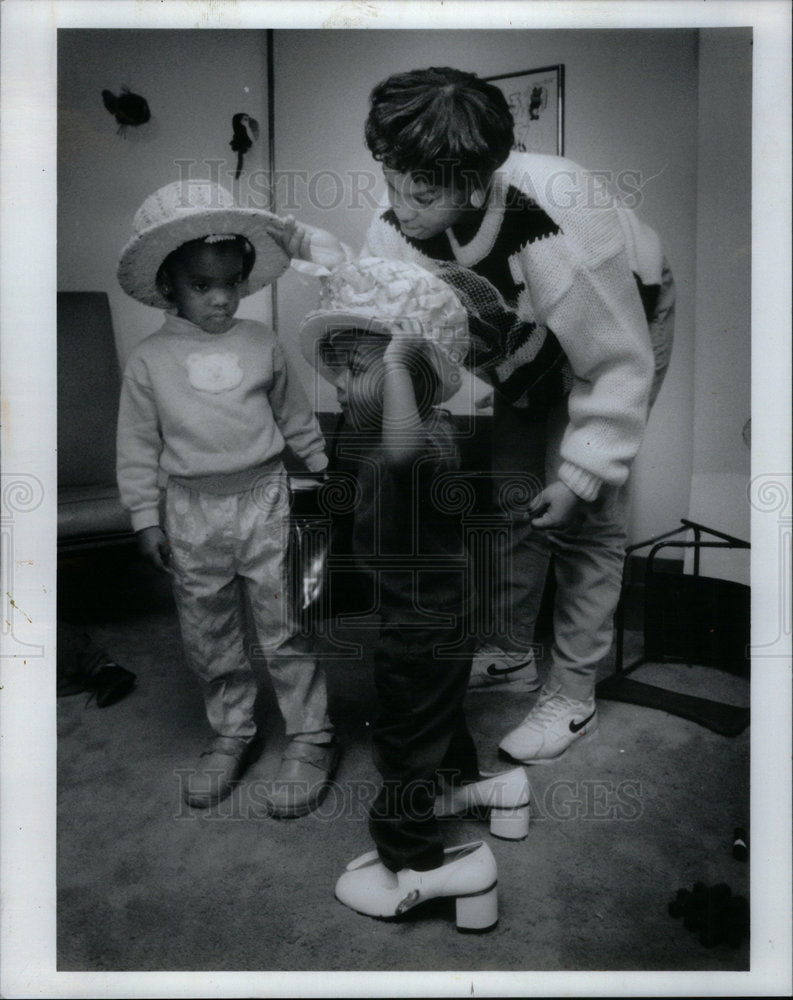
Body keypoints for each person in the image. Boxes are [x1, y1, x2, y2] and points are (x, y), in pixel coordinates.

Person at [273, 65, 675, 766]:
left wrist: (583, 472)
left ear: (473, 179)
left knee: (585, 511)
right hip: (519, 338)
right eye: (390, 180)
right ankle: (512, 654)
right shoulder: (398, 215)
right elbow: (383, 315)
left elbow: (614, 364)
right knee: (518, 496)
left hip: (616, 328)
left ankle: (573, 696)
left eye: (420, 190)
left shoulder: (556, 220)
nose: (399, 204)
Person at [300, 256, 530, 930]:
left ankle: (422, 863)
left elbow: (398, 453)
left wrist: (398, 361)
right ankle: (479, 787)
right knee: (433, 719)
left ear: (413, 381)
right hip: (434, 618)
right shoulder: (377, 435)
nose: (338, 385)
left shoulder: (423, 441)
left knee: (401, 736)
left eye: (354, 369)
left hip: (425, 626)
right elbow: (358, 463)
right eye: (336, 368)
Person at [116, 180, 337, 813]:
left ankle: (311, 734)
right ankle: (232, 730)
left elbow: (294, 416)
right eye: (201, 285)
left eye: (232, 283)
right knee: (208, 631)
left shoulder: (261, 344)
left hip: (265, 499)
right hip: (189, 510)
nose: (220, 298)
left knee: (286, 621)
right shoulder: (149, 360)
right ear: (168, 288)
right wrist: (142, 516)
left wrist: (324, 465)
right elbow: (135, 445)